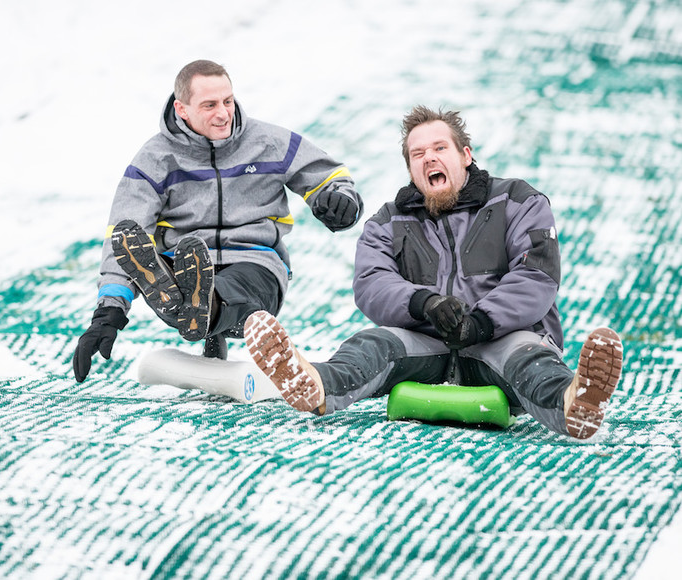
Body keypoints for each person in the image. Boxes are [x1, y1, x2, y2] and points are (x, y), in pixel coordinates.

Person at [244, 106, 623, 440]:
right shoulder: (389, 220)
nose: (429, 159)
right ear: (411, 169)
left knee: (530, 361)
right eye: (417, 154)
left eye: (440, 148)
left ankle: (574, 403)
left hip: (501, 339)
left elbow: (536, 274)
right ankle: (315, 385)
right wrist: (422, 303)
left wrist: (481, 322)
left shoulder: (517, 201)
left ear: (466, 155)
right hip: (427, 342)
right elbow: (371, 282)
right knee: (372, 344)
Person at [73, 59, 363, 382]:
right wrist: (108, 311)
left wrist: (338, 199)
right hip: (182, 258)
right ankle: (186, 295)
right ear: (182, 109)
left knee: (219, 290)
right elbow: (125, 230)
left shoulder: (268, 142)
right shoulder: (155, 160)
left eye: (227, 101)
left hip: (255, 263)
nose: (224, 113)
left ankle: (198, 300)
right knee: (167, 269)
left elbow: (328, 175)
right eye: (209, 105)